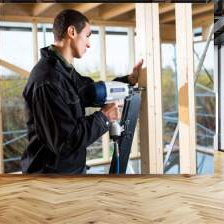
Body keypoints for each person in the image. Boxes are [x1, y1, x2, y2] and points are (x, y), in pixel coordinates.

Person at [21, 9, 143, 174]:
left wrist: (129, 80)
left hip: (70, 171)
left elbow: (93, 91)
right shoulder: (47, 80)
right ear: (72, 32)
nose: (89, 44)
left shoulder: (65, 72)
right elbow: (65, 143)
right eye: (87, 36)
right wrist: (104, 118)